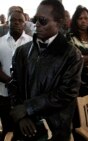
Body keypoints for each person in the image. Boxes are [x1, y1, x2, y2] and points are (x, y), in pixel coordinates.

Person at [7, 0, 83, 140]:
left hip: (54, 131)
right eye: (36, 19)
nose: (36, 25)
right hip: (25, 129)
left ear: (59, 23)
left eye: (42, 21)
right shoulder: (21, 52)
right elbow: (14, 86)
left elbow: (67, 93)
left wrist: (28, 108)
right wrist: (21, 117)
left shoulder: (72, 55)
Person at [0, 11, 32, 141]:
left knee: (26, 131)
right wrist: (10, 81)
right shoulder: (0, 42)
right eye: (13, 20)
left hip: (26, 96)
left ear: (25, 24)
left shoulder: (32, 43)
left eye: (20, 21)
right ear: (8, 22)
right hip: (3, 94)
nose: (17, 23)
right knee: (8, 130)